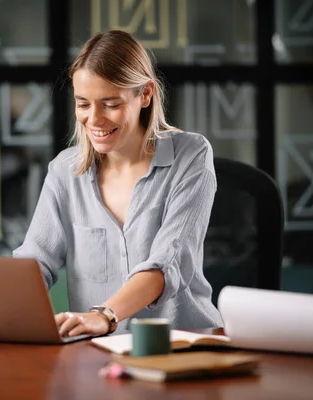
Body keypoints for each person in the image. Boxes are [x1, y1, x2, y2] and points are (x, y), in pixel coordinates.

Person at [13, 30, 223, 337]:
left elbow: (166, 263)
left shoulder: (191, 156)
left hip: (182, 347)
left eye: (110, 104)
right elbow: (35, 264)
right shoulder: (64, 171)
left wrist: (105, 315)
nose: (94, 119)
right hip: (97, 354)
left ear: (146, 94)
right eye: (83, 104)